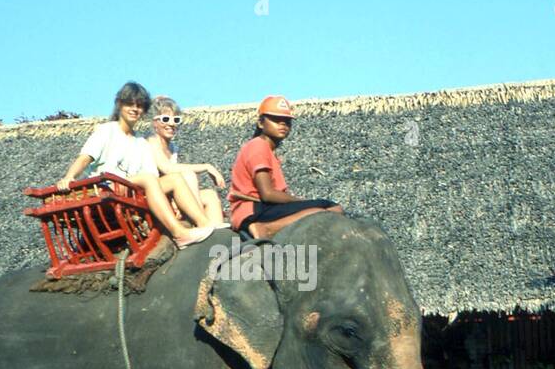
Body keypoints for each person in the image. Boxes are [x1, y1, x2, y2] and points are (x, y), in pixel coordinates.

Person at [56, 82, 214, 248]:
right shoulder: (107, 131)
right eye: (130, 104)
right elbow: (85, 157)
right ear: (119, 104)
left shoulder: (141, 142)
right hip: (107, 187)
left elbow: (153, 175)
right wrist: (69, 176)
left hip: (133, 190)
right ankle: (179, 233)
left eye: (139, 106)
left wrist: (173, 200)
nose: (134, 109)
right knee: (147, 179)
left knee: (174, 178)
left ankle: (204, 223)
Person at [228, 95, 343, 240]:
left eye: (287, 121)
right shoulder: (258, 146)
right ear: (261, 123)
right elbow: (267, 194)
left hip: (260, 208)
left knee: (326, 208)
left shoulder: (266, 150)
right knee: (331, 207)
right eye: (275, 119)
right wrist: (301, 202)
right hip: (253, 209)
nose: (282, 124)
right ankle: (267, 228)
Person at [145, 95, 227, 229]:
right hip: (154, 194)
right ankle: (201, 223)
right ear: (154, 123)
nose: (171, 124)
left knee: (210, 195)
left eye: (176, 120)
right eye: (165, 119)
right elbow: (167, 168)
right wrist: (206, 166)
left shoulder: (172, 148)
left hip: (171, 191)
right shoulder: (151, 141)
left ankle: (216, 235)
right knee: (188, 175)